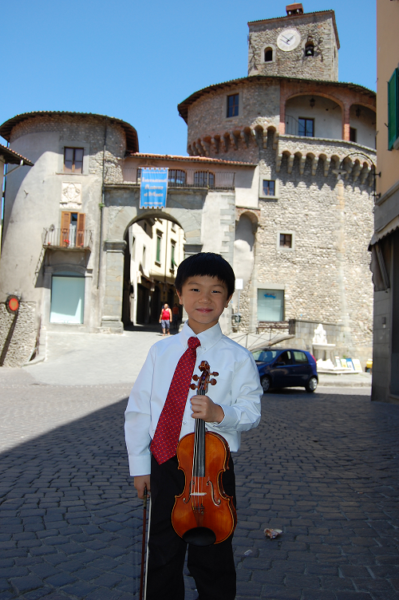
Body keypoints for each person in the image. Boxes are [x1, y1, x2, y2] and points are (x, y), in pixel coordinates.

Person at [124, 252, 262, 600]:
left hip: (213, 469)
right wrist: (141, 466)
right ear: (180, 295)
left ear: (228, 299)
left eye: (216, 291)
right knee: (163, 555)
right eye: (196, 289)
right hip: (164, 464)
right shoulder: (161, 351)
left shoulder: (237, 357)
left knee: (213, 558)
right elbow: (140, 410)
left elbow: (251, 410)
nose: (205, 299)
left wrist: (220, 413)